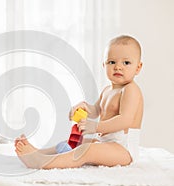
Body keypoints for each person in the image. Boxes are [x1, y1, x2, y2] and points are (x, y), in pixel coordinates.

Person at [14, 35, 144, 169]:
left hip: (123, 149)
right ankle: (40, 153)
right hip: (106, 141)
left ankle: (42, 162)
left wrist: (95, 127)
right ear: (104, 65)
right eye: (112, 62)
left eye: (126, 63)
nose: (118, 67)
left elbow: (125, 120)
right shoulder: (107, 90)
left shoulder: (130, 90)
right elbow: (97, 111)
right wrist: (85, 108)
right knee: (76, 142)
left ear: (138, 67)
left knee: (87, 150)